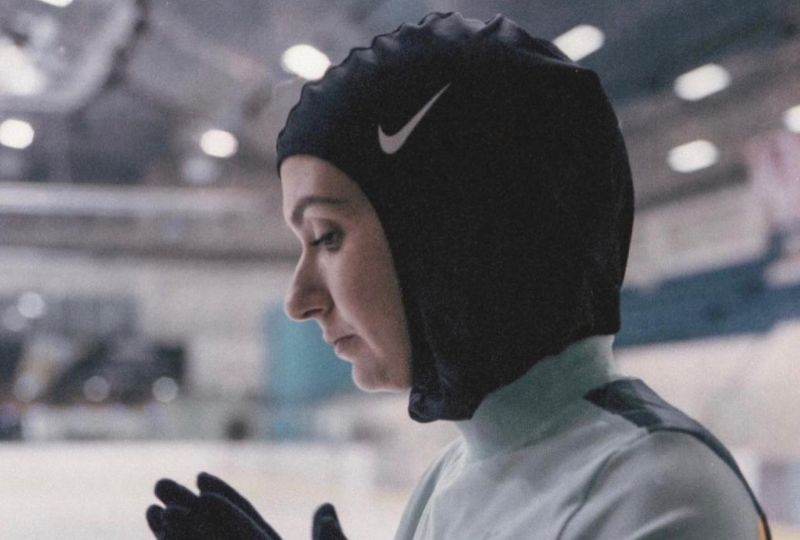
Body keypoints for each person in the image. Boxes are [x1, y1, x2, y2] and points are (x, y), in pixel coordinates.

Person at [146, 11, 771, 540]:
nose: (298, 299)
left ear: (452, 231)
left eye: (328, 236)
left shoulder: (656, 496)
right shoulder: (449, 481)